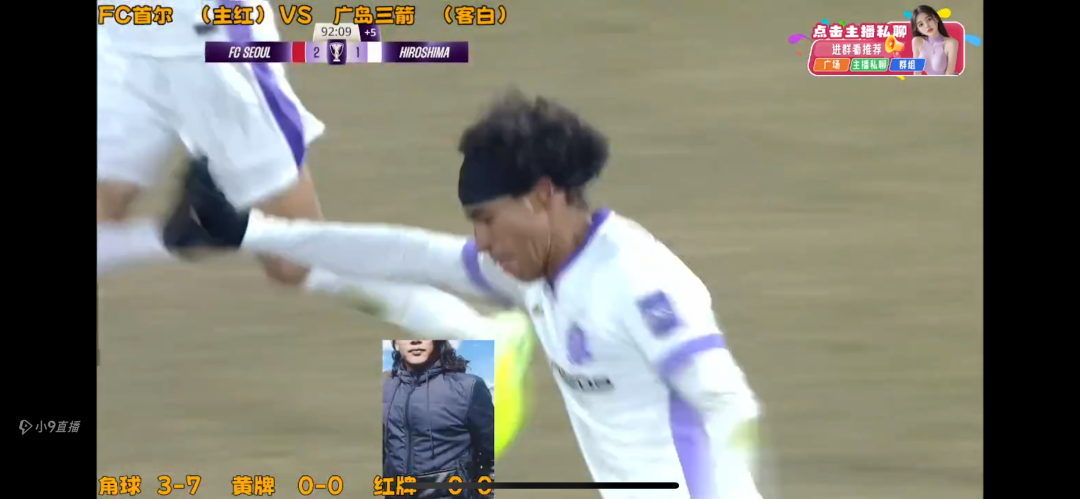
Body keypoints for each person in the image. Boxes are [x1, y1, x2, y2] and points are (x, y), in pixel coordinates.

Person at [166, 89, 765, 498]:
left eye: (487, 220)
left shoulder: (638, 281)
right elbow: (408, 256)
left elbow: (729, 403)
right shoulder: (539, 269)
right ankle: (485, 343)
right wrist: (250, 232)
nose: (480, 242)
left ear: (542, 196)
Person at [96, 2, 534, 366]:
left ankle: (478, 334)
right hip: (116, 31)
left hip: (205, 42)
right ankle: (203, 233)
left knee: (294, 260)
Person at [383, 340, 495, 498]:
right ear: (395, 343)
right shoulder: (385, 389)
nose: (415, 340)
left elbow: (493, 455)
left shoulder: (468, 387)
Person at [910, 5, 959, 75]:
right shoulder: (917, 42)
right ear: (918, 30)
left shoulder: (951, 43)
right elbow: (917, 73)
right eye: (921, 24)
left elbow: (949, 75)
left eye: (929, 19)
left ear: (936, 18)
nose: (927, 25)